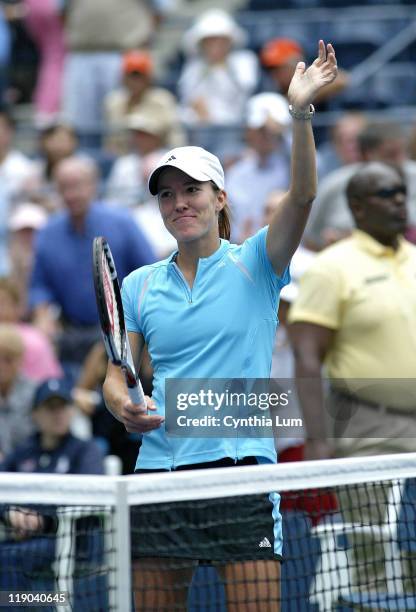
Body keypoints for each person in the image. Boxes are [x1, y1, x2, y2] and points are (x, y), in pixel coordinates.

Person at [103, 40, 337, 610]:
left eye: (191, 190)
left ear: (219, 198)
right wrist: (121, 405)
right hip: (160, 471)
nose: (178, 202)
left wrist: (301, 114)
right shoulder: (137, 285)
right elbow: (118, 373)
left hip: (241, 475)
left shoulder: (257, 263)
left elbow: (304, 195)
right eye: (166, 194)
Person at [288, 161, 416, 591]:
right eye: (385, 194)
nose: (399, 200)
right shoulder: (332, 267)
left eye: (400, 190)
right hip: (367, 429)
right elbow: (307, 358)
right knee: (373, 562)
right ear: (357, 208)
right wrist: (318, 440)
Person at [28, 156, 156, 381]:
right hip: (71, 332)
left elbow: (150, 273)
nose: (70, 194)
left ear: (94, 185)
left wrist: (144, 323)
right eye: (63, 188)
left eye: (76, 186)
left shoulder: (122, 222)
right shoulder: (48, 233)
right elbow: (39, 286)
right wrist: (42, 314)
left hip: (125, 330)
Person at [0, 377, 104, 595]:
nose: (58, 414)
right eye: (50, 408)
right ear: (35, 414)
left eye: (63, 406)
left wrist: (42, 519)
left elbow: (90, 496)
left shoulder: (86, 451)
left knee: (9, 558)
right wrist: (9, 513)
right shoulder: (23, 452)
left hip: (71, 543)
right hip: (20, 539)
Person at [304, 121, 416, 250]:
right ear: (366, 155)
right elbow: (312, 239)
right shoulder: (333, 186)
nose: (400, 161)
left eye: (403, 153)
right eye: (390, 155)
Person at [225, 92, 292, 243]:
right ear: (248, 131)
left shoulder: (291, 165)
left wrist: (282, 132)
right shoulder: (237, 172)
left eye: (272, 132)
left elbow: (309, 165)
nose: (265, 136)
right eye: (259, 130)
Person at [178, 9, 258, 126]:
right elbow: (189, 97)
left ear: (229, 41)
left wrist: (223, 67)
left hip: (238, 121)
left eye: (220, 40)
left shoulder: (244, 60)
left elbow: (245, 88)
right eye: (209, 41)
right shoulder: (194, 67)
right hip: (202, 124)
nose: (215, 46)